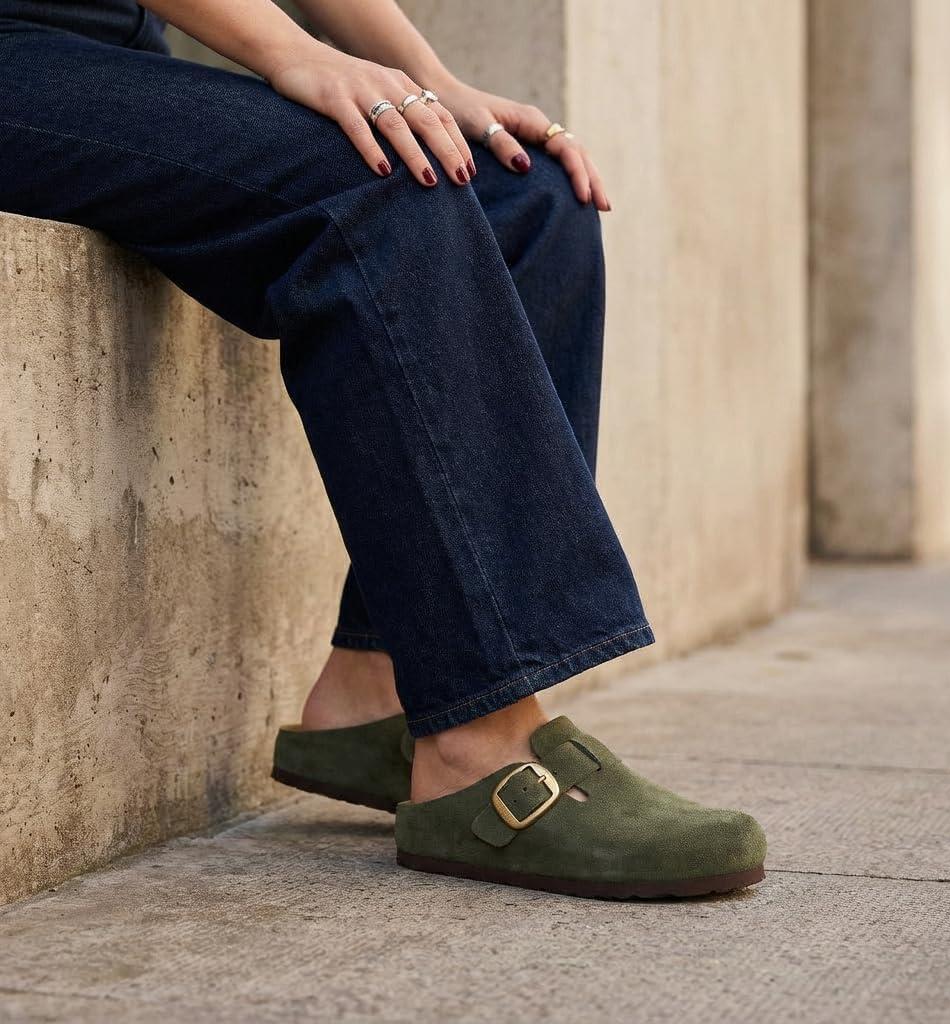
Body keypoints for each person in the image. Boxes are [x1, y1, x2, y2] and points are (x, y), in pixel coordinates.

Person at [0, 0, 766, 898]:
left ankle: (383, 685)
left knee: (528, 197)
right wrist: (287, 49)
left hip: (112, 52)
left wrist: (426, 78)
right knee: (379, 174)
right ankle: (483, 745)